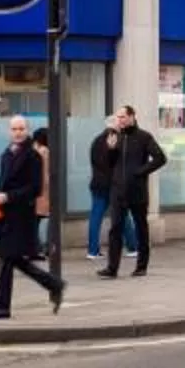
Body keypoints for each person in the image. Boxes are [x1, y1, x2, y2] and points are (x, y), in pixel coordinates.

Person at [0, 115, 65, 321]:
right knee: (12, 260)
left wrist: (6, 196)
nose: (18, 133)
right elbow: (2, 182)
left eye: (21, 129)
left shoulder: (32, 156)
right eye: (14, 129)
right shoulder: (6, 154)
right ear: (9, 131)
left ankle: (1, 307)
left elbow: (35, 189)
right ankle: (53, 284)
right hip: (5, 215)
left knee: (8, 259)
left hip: (20, 216)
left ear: (27, 131)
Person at [100, 106, 166, 278]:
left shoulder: (144, 137)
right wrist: (110, 149)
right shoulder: (115, 136)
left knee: (141, 228)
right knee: (115, 228)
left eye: (122, 117)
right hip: (118, 191)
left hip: (137, 191)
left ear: (132, 117)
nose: (119, 120)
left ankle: (141, 266)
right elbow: (108, 164)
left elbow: (160, 158)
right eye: (118, 117)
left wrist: (140, 172)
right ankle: (112, 268)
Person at [86, 112, 123, 262]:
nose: (121, 126)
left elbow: (96, 162)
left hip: (97, 183)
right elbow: (114, 163)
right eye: (119, 123)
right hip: (111, 184)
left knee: (96, 217)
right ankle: (133, 246)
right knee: (122, 216)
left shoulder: (96, 140)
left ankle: (92, 250)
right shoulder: (115, 140)